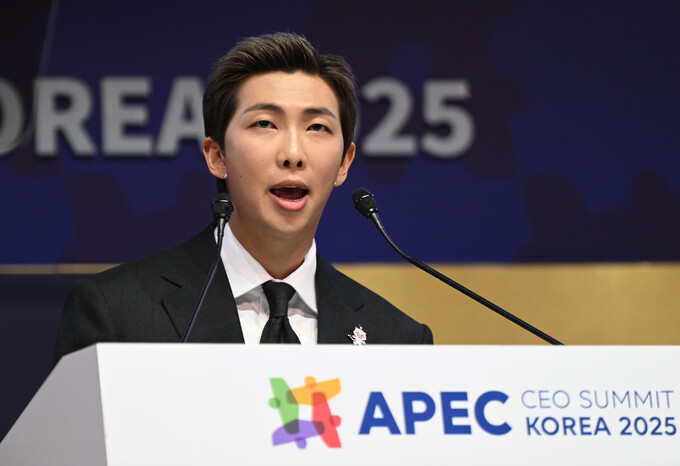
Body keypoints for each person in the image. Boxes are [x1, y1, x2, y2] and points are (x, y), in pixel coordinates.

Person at [53, 32, 432, 365]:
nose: (293, 154)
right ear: (217, 156)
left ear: (344, 163)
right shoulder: (118, 314)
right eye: (265, 123)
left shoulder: (397, 340)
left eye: (317, 127)